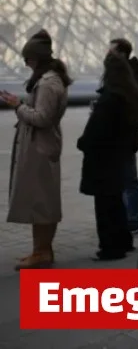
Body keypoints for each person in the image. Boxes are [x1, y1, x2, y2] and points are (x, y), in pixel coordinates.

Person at [0, 29, 72, 270]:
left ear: (37, 58)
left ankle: (42, 252)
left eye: (28, 58)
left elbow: (42, 118)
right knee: (41, 201)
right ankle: (41, 250)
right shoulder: (49, 80)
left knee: (41, 203)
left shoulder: (48, 83)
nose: (25, 63)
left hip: (40, 148)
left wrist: (17, 106)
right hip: (42, 146)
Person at [77, 52, 138, 260]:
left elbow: (97, 131)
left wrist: (82, 143)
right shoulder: (129, 94)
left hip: (103, 158)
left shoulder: (110, 98)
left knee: (105, 205)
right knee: (116, 202)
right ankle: (123, 241)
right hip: (118, 156)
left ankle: (110, 248)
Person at [108, 37, 138, 236]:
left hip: (125, 134)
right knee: (124, 179)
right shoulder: (127, 74)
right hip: (123, 134)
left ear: (122, 54)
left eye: (112, 52)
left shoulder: (130, 76)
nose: (108, 55)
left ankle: (133, 221)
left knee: (129, 179)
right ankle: (127, 218)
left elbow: (129, 106)